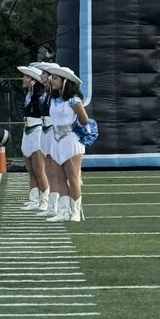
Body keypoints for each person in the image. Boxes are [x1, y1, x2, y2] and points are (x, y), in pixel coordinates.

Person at [45, 66, 92, 222]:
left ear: (65, 82)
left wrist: (74, 129)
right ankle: (63, 211)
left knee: (72, 177)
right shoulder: (54, 99)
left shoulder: (74, 100)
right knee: (59, 177)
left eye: (56, 78)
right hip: (56, 140)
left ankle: (76, 212)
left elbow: (84, 120)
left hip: (71, 140)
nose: (53, 81)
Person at [18, 64, 50, 211]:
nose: (23, 79)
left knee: (39, 169)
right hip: (27, 130)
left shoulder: (39, 96)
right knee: (30, 168)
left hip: (37, 130)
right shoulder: (28, 95)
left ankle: (45, 200)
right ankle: (34, 199)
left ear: (33, 81)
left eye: (26, 77)